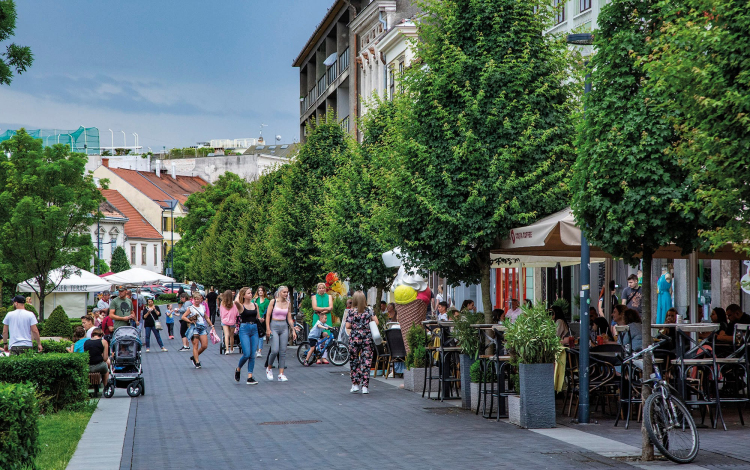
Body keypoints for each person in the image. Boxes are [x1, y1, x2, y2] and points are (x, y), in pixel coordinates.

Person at [347, 291, 378, 394]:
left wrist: (356, 326)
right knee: (366, 362)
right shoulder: (369, 310)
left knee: (354, 361)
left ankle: (355, 385)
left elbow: (347, 326)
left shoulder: (351, 311)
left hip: (354, 339)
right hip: (367, 339)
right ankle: (365, 387)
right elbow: (376, 322)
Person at [264, 286, 296, 381]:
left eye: (287, 292)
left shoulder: (288, 303)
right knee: (274, 350)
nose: (286, 294)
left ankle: (281, 374)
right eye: (284, 292)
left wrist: (293, 329)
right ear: (279, 292)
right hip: (274, 325)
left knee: (283, 351)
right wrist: (268, 329)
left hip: (284, 326)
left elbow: (289, 318)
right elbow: (268, 316)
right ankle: (269, 368)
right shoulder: (273, 302)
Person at [182, 292, 215, 369]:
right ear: (193, 299)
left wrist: (211, 325)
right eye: (195, 299)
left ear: (201, 299)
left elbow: (206, 317)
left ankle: (194, 356)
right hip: (194, 327)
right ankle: (197, 362)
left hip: (202, 327)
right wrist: (190, 321)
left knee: (204, 345)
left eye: (198, 299)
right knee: (195, 345)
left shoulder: (203, 307)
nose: (196, 300)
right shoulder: (191, 308)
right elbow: (183, 317)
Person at [234, 287, 260, 385]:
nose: (250, 294)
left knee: (252, 354)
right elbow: (235, 302)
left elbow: (258, 317)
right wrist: (239, 293)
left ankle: (250, 377)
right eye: (248, 293)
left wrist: (260, 319)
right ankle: (238, 368)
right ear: (243, 295)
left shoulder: (255, 304)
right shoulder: (241, 306)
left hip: (254, 329)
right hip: (244, 329)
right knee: (246, 354)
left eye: (251, 293)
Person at [219, 289, 239, 354]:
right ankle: (232, 348)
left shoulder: (222, 303)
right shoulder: (233, 304)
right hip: (232, 321)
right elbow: (236, 313)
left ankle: (227, 349)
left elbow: (221, 313)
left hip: (224, 321)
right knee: (231, 336)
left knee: (226, 335)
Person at [254, 285, 271, 358]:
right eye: (259, 290)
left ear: (264, 292)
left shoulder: (267, 301)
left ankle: (259, 350)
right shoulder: (255, 300)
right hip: (255, 319)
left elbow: (267, 310)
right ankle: (255, 349)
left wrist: (263, 317)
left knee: (260, 335)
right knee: (255, 335)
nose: (260, 292)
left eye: (261, 290)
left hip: (262, 319)